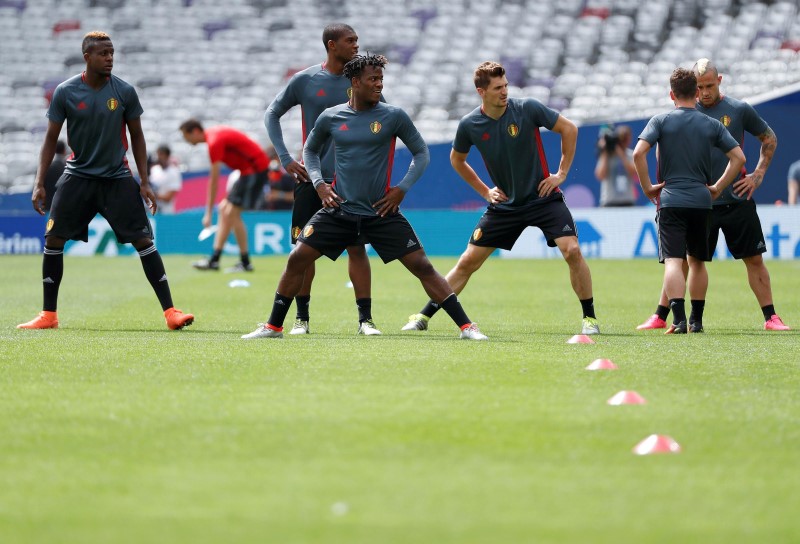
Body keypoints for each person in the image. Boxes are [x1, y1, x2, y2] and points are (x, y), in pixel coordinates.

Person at [242, 53, 487, 341]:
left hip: (380, 212)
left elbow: (422, 153)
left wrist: (401, 188)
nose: (379, 84)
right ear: (355, 82)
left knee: (422, 266)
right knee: (297, 258)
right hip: (339, 210)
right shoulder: (332, 116)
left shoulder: (393, 115)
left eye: (381, 79)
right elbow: (309, 150)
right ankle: (273, 327)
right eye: (373, 79)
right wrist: (320, 183)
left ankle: (466, 327)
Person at [401, 61, 600, 335]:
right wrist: (485, 191)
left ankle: (589, 318)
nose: (505, 91)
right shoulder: (470, 124)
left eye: (506, 85)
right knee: (468, 261)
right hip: (505, 207)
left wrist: (561, 173)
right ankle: (423, 316)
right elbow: (457, 160)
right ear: (481, 91)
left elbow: (570, 129)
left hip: (544, 199)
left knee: (573, 250)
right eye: (498, 88)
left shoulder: (527, 108)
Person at [17, 31, 194, 331]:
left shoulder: (124, 91)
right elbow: (50, 139)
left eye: (112, 53)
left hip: (117, 177)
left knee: (143, 241)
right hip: (77, 176)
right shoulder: (66, 91)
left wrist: (145, 181)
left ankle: (171, 312)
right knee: (53, 239)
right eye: (103, 53)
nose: (110, 58)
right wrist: (39, 182)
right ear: (87, 57)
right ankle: (49, 315)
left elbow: (137, 136)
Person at [637, 59, 790, 332]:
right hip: (699, 202)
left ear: (719, 81)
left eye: (709, 85)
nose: (704, 92)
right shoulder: (683, 112)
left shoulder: (739, 109)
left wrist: (758, 174)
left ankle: (771, 317)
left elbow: (769, 138)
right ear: (692, 89)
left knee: (753, 259)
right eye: (699, 87)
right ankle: (663, 315)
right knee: (687, 260)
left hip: (735, 200)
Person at [264, 23, 375, 335]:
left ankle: (365, 321)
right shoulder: (306, 80)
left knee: (357, 247)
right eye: (350, 40)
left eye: (356, 39)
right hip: (311, 179)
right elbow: (271, 114)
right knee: (303, 249)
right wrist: (285, 158)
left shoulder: (361, 80)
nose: (356, 45)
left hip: (350, 182)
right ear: (331, 45)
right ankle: (302, 320)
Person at [633, 67, 745, 334]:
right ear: (696, 93)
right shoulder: (711, 124)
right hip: (701, 201)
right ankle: (697, 321)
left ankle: (679, 320)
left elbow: (638, 154)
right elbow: (739, 158)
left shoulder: (660, 121)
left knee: (673, 261)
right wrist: (717, 187)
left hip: (672, 201)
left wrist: (648, 187)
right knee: (697, 261)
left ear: (671, 94)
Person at [179, 119, 270, 273]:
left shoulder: (214, 141)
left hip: (255, 170)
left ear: (195, 131)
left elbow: (213, 181)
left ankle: (244, 262)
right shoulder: (213, 136)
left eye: (186, 136)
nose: (186, 140)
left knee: (231, 213)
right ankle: (215, 260)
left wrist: (207, 214)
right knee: (224, 209)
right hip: (247, 171)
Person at [594, 124, 638, 207]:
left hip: (627, 201)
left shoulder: (630, 154)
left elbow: (634, 173)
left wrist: (621, 154)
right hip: (609, 201)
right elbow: (600, 175)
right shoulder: (606, 155)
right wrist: (605, 152)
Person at [149, 144, 182, 214]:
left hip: (167, 212)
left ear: (167, 155)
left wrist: (151, 195)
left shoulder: (174, 172)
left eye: (161, 154)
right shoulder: (154, 169)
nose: (158, 157)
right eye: (158, 154)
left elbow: (168, 197)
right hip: (153, 211)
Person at [43, 139, 67, 212]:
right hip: (62, 207)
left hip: (47, 207)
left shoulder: (45, 167)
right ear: (64, 151)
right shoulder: (67, 168)